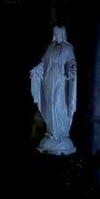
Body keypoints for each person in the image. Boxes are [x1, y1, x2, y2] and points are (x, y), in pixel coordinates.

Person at [30, 25, 77, 155]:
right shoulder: (50, 47)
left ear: (63, 34)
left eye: (58, 33)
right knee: (49, 105)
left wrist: (71, 69)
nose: (56, 35)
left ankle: (61, 133)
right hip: (49, 79)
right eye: (54, 33)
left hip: (61, 79)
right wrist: (36, 70)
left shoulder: (68, 47)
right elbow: (44, 63)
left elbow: (71, 62)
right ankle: (51, 132)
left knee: (58, 104)